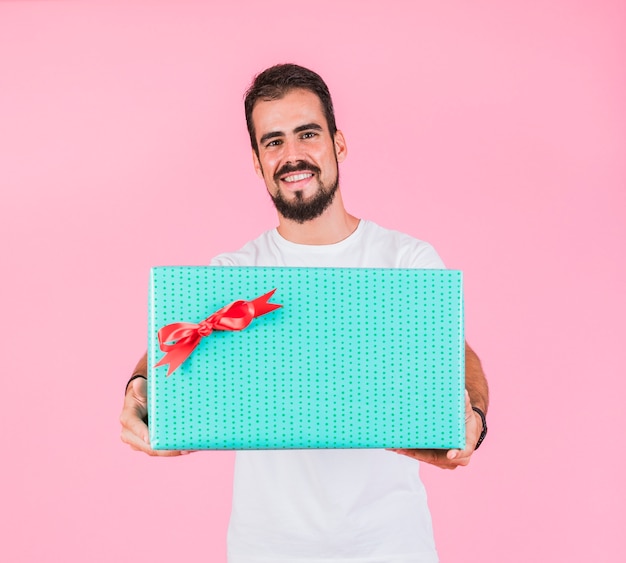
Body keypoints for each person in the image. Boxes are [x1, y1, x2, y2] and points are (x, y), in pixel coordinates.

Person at [120, 63, 489, 563]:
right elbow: (175, 340)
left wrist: (474, 417)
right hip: (265, 550)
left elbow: (453, 350)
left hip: (392, 547)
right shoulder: (234, 272)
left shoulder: (405, 259)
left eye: (307, 134)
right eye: (273, 142)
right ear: (256, 161)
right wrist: (137, 389)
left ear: (338, 143)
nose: (292, 155)